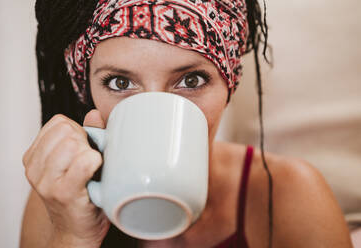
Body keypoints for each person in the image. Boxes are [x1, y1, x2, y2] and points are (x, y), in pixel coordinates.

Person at [20, 0, 353, 247]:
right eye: (120, 83)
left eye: (191, 80)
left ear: (229, 85)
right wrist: (72, 237)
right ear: (87, 90)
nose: (156, 109)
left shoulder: (290, 195)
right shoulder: (58, 200)